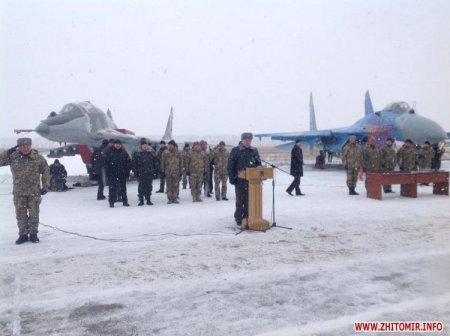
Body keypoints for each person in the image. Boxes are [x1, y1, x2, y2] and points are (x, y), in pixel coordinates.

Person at [0, 138, 50, 244]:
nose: (25, 148)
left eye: (27, 146)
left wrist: (45, 186)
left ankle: (33, 234)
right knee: (20, 215)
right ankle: (23, 235)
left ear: (30, 146)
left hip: (34, 192)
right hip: (19, 193)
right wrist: (7, 152)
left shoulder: (38, 158)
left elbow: (45, 171)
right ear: (19, 147)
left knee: (34, 214)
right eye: (22, 146)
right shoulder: (13, 157)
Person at [228, 132, 262, 227]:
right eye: (245, 140)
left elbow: (258, 162)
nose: (247, 142)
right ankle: (238, 218)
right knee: (240, 200)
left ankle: (247, 217)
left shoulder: (254, 150)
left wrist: (260, 167)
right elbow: (230, 166)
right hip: (239, 179)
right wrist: (232, 178)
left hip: (252, 180)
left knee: (249, 200)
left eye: (249, 140)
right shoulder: (236, 150)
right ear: (242, 140)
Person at [104, 139, 131, 207]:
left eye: (119, 144)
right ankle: (111, 202)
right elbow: (105, 163)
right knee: (112, 189)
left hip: (122, 174)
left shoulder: (124, 153)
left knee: (123, 189)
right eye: (117, 144)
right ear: (114, 144)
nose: (118, 145)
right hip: (112, 174)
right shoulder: (109, 152)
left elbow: (128, 163)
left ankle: (125, 202)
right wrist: (108, 172)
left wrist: (127, 172)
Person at [132, 139, 157, 205]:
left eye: (146, 145)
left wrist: (154, 172)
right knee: (141, 188)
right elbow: (134, 165)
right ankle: (141, 200)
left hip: (149, 173)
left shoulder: (151, 154)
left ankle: (148, 200)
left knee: (149, 187)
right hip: (141, 173)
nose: (145, 147)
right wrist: (136, 173)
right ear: (141, 146)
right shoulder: (137, 154)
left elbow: (155, 163)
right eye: (144, 146)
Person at [160, 140, 182, 204]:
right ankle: (169, 199)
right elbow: (162, 162)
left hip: (176, 172)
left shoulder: (178, 152)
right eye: (169, 145)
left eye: (171, 145)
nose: (170, 146)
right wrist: (162, 171)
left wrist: (181, 172)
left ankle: (175, 198)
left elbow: (181, 162)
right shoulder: (165, 152)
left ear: (174, 146)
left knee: (176, 186)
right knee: (169, 186)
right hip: (168, 172)